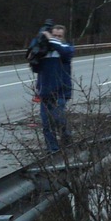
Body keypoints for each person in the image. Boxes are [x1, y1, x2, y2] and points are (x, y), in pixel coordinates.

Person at [33, 23, 74, 153]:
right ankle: (53, 150)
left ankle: (67, 138)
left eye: (59, 36)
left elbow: (66, 52)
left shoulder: (66, 48)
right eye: (54, 35)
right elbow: (35, 66)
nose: (56, 37)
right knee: (46, 124)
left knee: (58, 118)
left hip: (61, 92)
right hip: (45, 93)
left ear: (63, 37)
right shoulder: (44, 51)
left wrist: (51, 39)